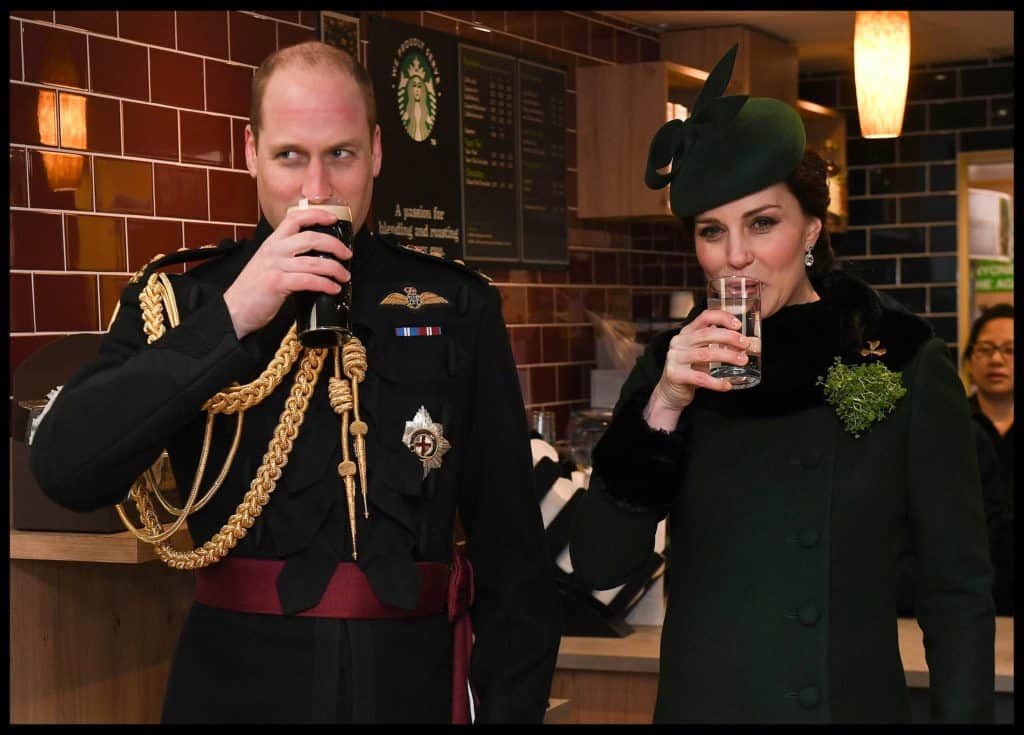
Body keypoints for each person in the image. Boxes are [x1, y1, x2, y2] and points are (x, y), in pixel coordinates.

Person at [30, 41, 561, 724]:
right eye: (289, 156)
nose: (317, 188)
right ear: (250, 152)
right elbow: (66, 467)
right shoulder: (185, 302)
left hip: (410, 689)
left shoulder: (455, 306)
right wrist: (233, 319)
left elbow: (515, 561)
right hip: (235, 691)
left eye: (339, 153)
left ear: (375, 152)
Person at [569, 44, 995, 723]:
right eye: (713, 231)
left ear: (810, 230)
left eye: (762, 223)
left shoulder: (900, 358)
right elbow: (597, 564)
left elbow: (958, 587)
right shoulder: (671, 368)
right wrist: (664, 405)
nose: (735, 255)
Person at [964, 304, 1014, 616]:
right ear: (970, 360)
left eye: (1010, 350)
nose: (997, 359)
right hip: (968, 596)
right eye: (986, 349)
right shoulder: (948, 427)